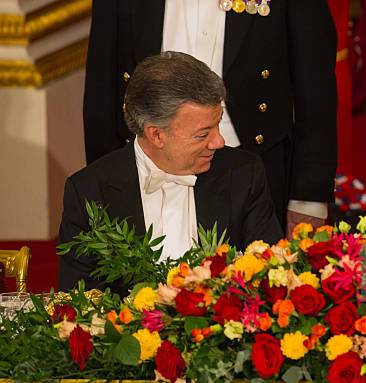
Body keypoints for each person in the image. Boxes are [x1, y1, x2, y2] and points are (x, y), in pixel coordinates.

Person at [83, 0, 338, 234]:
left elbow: (315, 87)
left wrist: (309, 197)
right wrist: (103, 185)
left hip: (251, 169)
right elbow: (102, 82)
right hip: (148, 167)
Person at [58, 52, 283, 291]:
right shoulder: (89, 192)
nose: (218, 141)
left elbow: (271, 278)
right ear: (156, 135)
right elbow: (81, 300)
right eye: (203, 134)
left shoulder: (243, 174)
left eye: (217, 125)